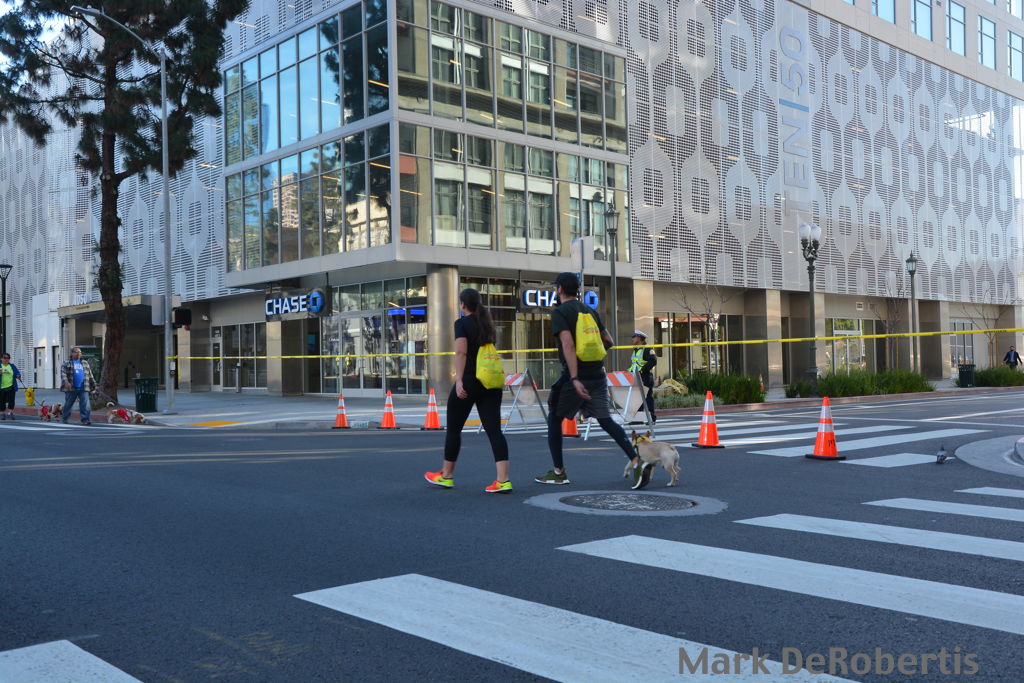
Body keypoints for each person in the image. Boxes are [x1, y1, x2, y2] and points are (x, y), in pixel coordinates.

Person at [535, 273, 653, 489]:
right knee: (605, 420)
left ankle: (559, 472)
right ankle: (636, 460)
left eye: (555, 287)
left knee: (554, 418)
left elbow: (568, 345)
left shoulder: (560, 312)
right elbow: (609, 340)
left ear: (560, 289)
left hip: (575, 378)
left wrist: (574, 377)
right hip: (597, 374)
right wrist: (592, 357)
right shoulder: (590, 311)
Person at [425, 288, 512, 493]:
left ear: (463, 304)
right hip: (489, 382)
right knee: (495, 431)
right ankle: (503, 480)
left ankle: (447, 475)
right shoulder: (488, 324)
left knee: (454, 429)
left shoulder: (462, 324)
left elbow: (461, 352)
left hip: (470, 381)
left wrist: (459, 380)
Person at [60, 346, 96, 425]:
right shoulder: (67, 362)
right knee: (68, 404)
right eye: (77, 352)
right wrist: (66, 382)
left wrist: (94, 384)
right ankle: (65, 418)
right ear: (72, 353)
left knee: (85, 405)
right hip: (71, 387)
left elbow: (90, 374)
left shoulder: (85, 363)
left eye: (80, 352)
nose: (79, 354)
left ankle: (85, 419)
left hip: (83, 386)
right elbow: (63, 374)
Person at [629, 330, 658, 423]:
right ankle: (638, 419)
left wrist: (642, 370)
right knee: (637, 398)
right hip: (636, 376)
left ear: (639, 338)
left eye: (634, 336)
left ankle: (651, 418)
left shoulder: (647, 349)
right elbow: (635, 364)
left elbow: (653, 361)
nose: (632, 338)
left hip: (645, 376)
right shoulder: (636, 349)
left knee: (647, 397)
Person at [0, 353, 21, 420]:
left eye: (8, 358)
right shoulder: (0, 366)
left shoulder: (12, 366)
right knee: (2, 401)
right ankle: (2, 413)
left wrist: (18, 376)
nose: (6, 359)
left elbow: (17, 373)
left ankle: (10, 412)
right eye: (5, 358)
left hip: (11, 386)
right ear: (1, 358)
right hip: (1, 387)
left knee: (11, 400)